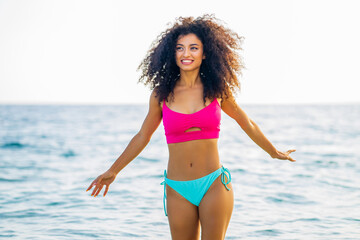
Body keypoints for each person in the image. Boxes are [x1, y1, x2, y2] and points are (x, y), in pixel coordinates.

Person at [86, 14, 296, 240]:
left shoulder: (218, 90)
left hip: (214, 184)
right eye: (180, 48)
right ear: (172, 53)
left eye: (193, 48)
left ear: (205, 53)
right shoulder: (161, 95)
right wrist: (114, 170)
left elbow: (247, 122)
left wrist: (273, 152)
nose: (186, 54)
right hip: (177, 188)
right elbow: (142, 135)